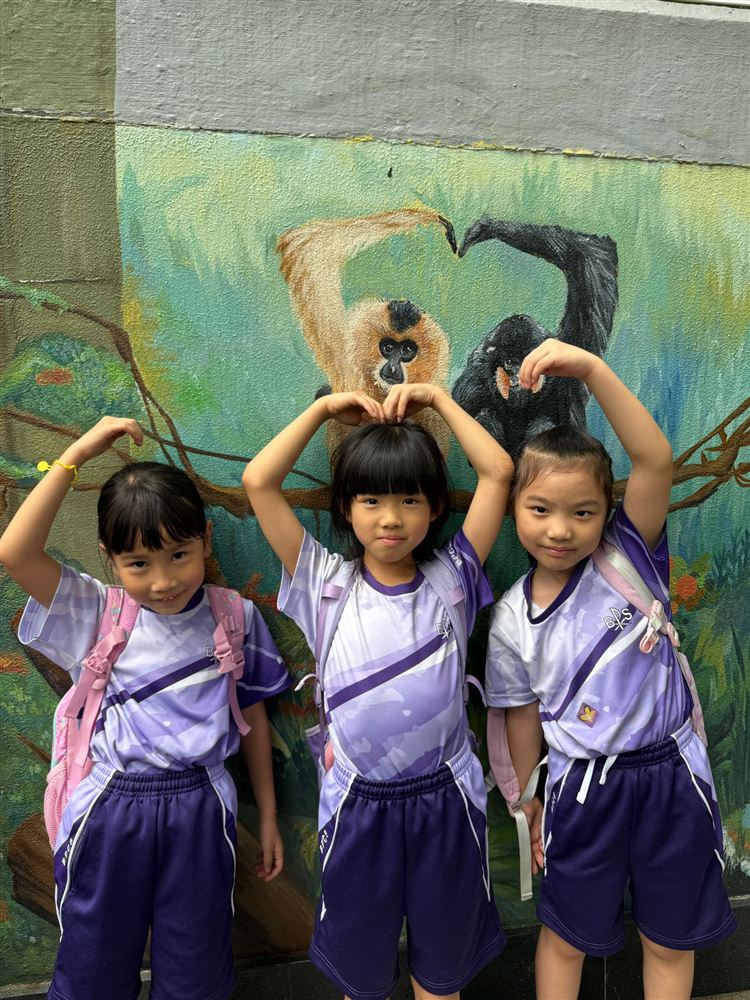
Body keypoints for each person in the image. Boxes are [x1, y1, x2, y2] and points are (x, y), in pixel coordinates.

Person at [0, 416, 290, 1000]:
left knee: (195, 971)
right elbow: (16, 552)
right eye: (138, 564)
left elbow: (253, 719)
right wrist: (78, 452)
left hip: (202, 807)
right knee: (94, 967)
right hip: (112, 808)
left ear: (206, 539)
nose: (162, 581)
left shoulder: (234, 617)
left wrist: (267, 817)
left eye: (179, 554)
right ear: (110, 560)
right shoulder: (98, 611)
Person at [243, 384, 514, 1000]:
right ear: (344, 507)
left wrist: (439, 400)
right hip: (356, 807)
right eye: (370, 500)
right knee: (361, 981)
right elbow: (260, 481)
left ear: (435, 506)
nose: (390, 518)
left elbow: (498, 471)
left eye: (409, 500)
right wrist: (320, 411)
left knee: (441, 980)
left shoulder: (453, 580)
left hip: (446, 801)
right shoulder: (323, 584)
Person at [485, 339, 736, 1000]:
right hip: (580, 791)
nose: (560, 529)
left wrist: (591, 369)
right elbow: (519, 714)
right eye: (540, 509)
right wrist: (525, 802)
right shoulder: (511, 618)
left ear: (608, 513)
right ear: (514, 509)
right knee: (565, 937)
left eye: (583, 512)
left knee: (669, 940)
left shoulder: (631, 552)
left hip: (670, 778)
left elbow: (655, 459)